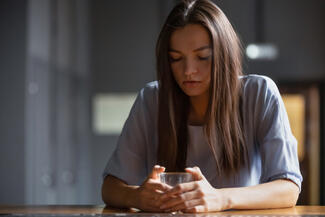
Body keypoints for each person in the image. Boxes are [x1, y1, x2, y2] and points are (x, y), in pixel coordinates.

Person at [101, 0, 302, 213]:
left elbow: (288, 188)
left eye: (202, 57)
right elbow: (110, 187)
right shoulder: (152, 99)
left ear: (224, 55)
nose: (188, 70)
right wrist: (136, 196)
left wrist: (221, 198)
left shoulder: (259, 92)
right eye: (176, 59)